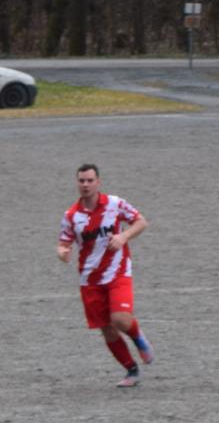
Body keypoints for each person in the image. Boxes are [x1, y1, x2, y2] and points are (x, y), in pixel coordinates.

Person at [56, 163, 154, 388]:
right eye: (82, 181)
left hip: (118, 271)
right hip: (89, 279)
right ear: (77, 183)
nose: (85, 185)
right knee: (106, 328)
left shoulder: (114, 204)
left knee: (119, 319)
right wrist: (62, 252)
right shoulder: (71, 215)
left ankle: (138, 339)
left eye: (90, 180)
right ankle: (131, 370)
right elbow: (63, 242)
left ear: (98, 182)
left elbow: (141, 222)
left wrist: (124, 236)